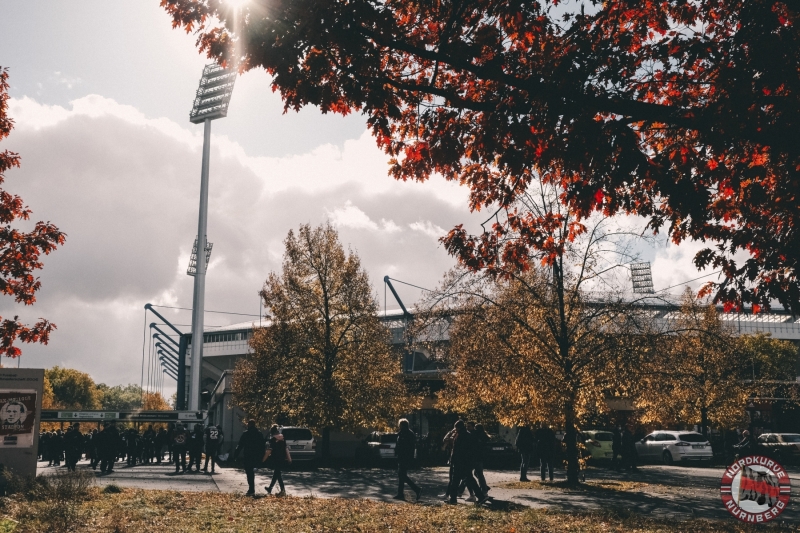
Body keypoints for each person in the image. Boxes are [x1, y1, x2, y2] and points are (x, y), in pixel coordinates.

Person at [445, 420, 487, 505]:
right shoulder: (468, 435)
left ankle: (453, 499)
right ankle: (481, 496)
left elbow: (456, 451)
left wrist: (452, 461)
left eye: (455, 428)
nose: (455, 429)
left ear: (458, 427)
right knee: (469, 480)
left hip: (459, 462)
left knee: (455, 481)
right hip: (466, 462)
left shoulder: (460, 436)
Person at [234, 420, 266, 497]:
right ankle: (251, 488)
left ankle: (251, 489)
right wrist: (262, 456)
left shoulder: (246, 434)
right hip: (256, 456)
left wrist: (235, 455)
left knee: (249, 472)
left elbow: (240, 445)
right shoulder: (259, 434)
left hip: (248, 455)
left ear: (249, 425)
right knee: (252, 471)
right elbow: (262, 446)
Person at [394, 418, 421, 501]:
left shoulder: (405, 434)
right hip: (403, 457)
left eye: (400, 424)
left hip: (404, 457)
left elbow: (406, 447)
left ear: (402, 425)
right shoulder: (405, 433)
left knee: (402, 475)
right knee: (401, 475)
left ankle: (416, 489)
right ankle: (400, 493)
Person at [263, 424, 290, 496]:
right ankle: (270, 488)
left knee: (278, 474)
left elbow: (269, 450)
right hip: (282, 458)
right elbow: (285, 449)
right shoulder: (283, 439)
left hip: (275, 458)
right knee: (277, 474)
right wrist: (288, 458)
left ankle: (283, 490)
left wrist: (264, 459)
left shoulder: (273, 440)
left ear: (272, 432)